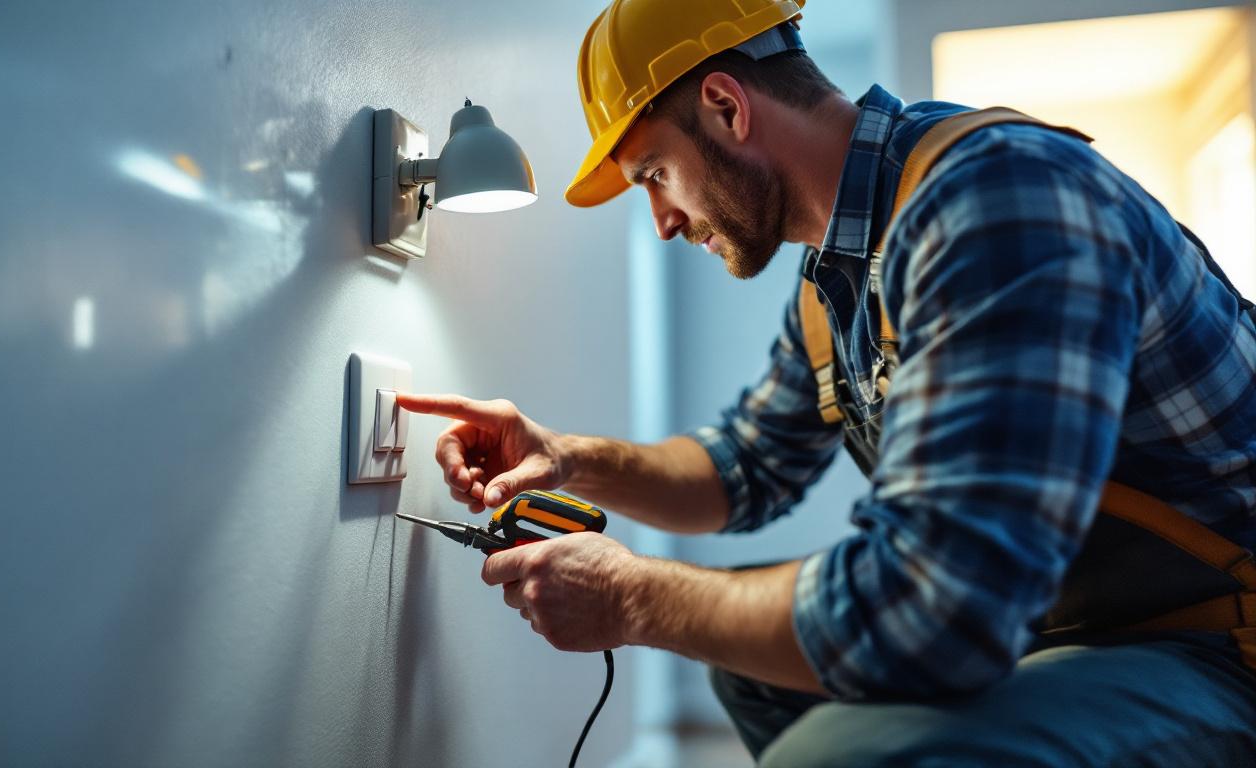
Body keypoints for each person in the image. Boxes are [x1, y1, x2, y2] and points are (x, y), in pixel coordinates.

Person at [400, 0, 1256, 763]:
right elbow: (740, 470)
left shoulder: (997, 200)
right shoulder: (836, 279)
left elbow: (936, 613)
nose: (661, 221)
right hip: (1073, 626)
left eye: (655, 175)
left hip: (1222, 650)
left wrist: (630, 597)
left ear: (727, 106)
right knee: (759, 674)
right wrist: (563, 457)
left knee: (841, 751)